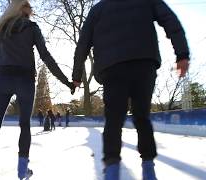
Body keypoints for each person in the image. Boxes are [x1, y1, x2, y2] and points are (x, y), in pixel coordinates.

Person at [72, 0, 189, 180]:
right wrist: (182, 54)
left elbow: (83, 43)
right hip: (143, 61)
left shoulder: (98, 9)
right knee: (142, 116)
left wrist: (76, 75)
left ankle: (112, 170)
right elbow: (170, 20)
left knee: (113, 119)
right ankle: (148, 168)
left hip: (112, 67)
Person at [0, 0, 75, 179]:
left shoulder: (0, 30)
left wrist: (1, 76)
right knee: (24, 125)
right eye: (28, 5)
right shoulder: (32, 28)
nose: (31, 9)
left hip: (4, 79)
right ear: (21, 8)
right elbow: (46, 57)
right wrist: (67, 82)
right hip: (25, 80)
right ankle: (22, 170)